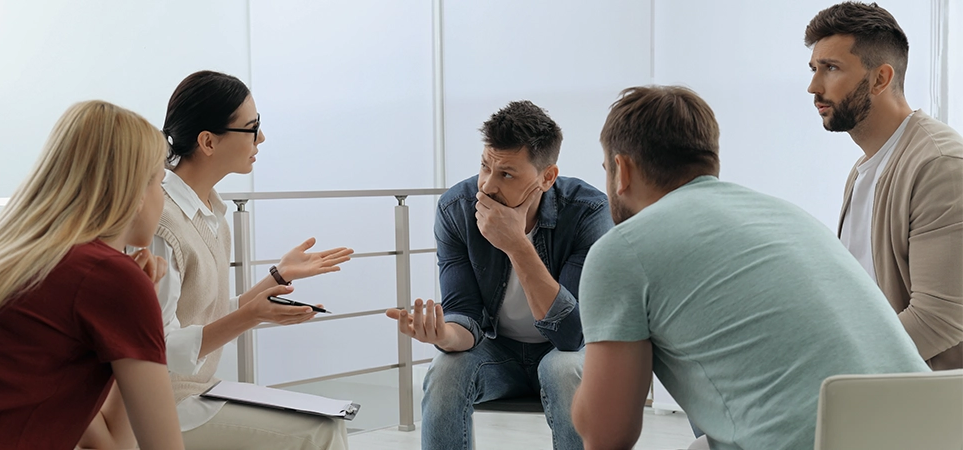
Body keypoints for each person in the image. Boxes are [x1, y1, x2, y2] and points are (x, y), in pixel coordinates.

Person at [571, 85, 930, 450]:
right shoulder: (785, 215)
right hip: (935, 429)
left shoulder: (624, 249)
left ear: (622, 169)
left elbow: (606, 435)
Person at [386, 100, 613, 449]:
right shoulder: (456, 208)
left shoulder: (589, 212)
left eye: (506, 174)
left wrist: (517, 245)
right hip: (498, 354)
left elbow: (571, 335)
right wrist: (442, 335)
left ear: (547, 177)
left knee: (562, 370)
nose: (487, 186)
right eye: (485, 167)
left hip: (567, 352)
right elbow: (466, 314)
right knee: (447, 370)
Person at [0, 100, 184, 449]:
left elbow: (107, 440)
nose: (163, 199)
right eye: (159, 183)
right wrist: (140, 302)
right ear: (136, 193)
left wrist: (143, 316)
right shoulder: (107, 276)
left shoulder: (16, 262)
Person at [155, 70, 352, 450]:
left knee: (328, 422)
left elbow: (204, 314)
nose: (261, 138)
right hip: (164, 405)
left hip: (200, 391)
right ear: (208, 141)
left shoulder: (210, 212)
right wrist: (252, 315)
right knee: (321, 431)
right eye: (252, 127)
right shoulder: (162, 223)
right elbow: (158, 347)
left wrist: (276, 278)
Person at [805, 1, 963, 370]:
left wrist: (827, 366)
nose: (813, 86)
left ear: (880, 78)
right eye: (814, 69)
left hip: (918, 401)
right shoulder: (864, 169)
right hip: (877, 385)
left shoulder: (940, 166)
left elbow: (940, 319)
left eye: (830, 68)